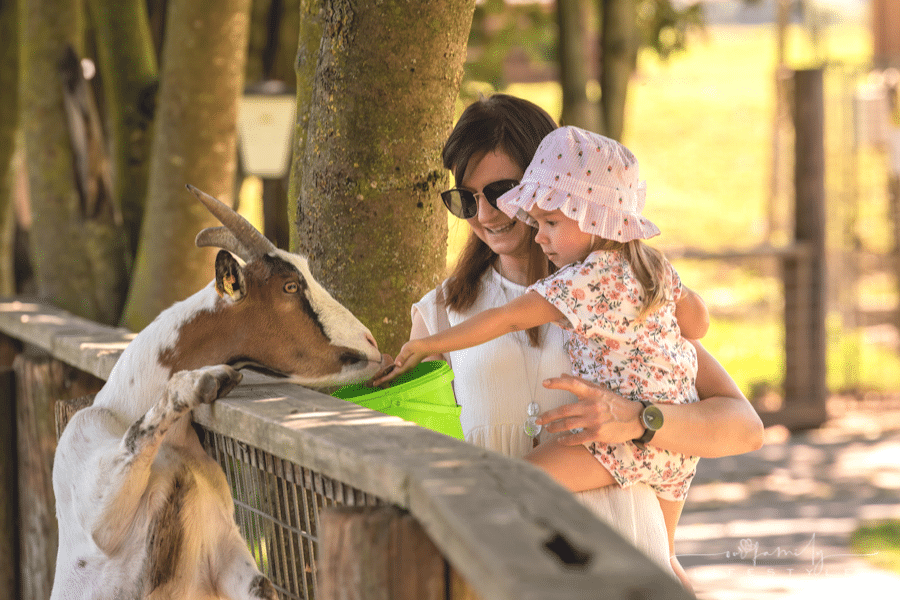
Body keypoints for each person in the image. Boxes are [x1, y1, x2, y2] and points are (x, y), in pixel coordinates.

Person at [377, 94, 764, 584]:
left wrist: (638, 419)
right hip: (509, 575)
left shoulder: (620, 294)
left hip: (625, 564)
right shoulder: (439, 319)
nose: (487, 214)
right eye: (465, 199)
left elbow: (743, 427)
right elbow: (425, 463)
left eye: (501, 191)